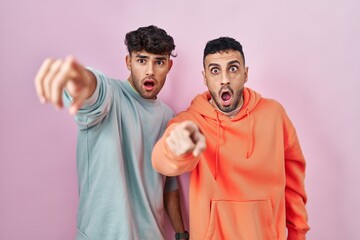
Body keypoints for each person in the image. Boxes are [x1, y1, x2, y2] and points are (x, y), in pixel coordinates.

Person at [34, 25, 189, 240]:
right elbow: (92, 89)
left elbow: (169, 184)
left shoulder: (169, 117)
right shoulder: (109, 95)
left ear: (169, 66)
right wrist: (77, 78)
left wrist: (181, 233)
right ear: (129, 62)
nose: (150, 71)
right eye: (142, 60)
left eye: (159, 62)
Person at [152, 37, 310, 239]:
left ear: (245, 74)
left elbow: (294, 181)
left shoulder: (274, 114)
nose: (224, 79)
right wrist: (176, 149)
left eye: (233, 69)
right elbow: (161, 161)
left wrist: (298, 233)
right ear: (205, 77)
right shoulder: (190, 122)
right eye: (215, 71)